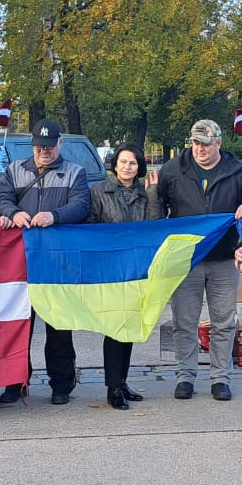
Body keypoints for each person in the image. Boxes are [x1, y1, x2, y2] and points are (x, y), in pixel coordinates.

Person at [154, 119, 242, 402]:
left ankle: (220, 378)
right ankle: (185, 375)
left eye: (206, 144)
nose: (200, 149)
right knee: (184, 321)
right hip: (186, 259)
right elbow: (157, 207)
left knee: (223, 322)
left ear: (219, 144)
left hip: (224, 257)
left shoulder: (239, 171)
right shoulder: (172, 170)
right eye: (196, 143)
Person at [0, 118, 91, 405]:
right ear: (32, 145)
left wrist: (55, 216)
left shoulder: (75, 172)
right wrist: (13, 213)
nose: (44, 151)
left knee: (59, 325)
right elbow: (2, 198)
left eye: (49, 147)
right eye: (39, 146)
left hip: (57, 261)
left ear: (59, 144)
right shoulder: (14, 170)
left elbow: (81, 205)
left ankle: (61, 384)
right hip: (21, 260)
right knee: (18, 324)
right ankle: (14, 382)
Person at [87, 143, 158, 410]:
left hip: (137, 269)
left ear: (139, 168)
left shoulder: (145, 194)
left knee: (128, 326)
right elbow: (90, 225)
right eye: (123, 162)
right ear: (114, 164)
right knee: (115, 328)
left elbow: (154, 226)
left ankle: (122, 381)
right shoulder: (98, 191)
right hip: (111, 268)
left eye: (133, 163)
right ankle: (112, 387)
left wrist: (152, 195)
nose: (128, 167)